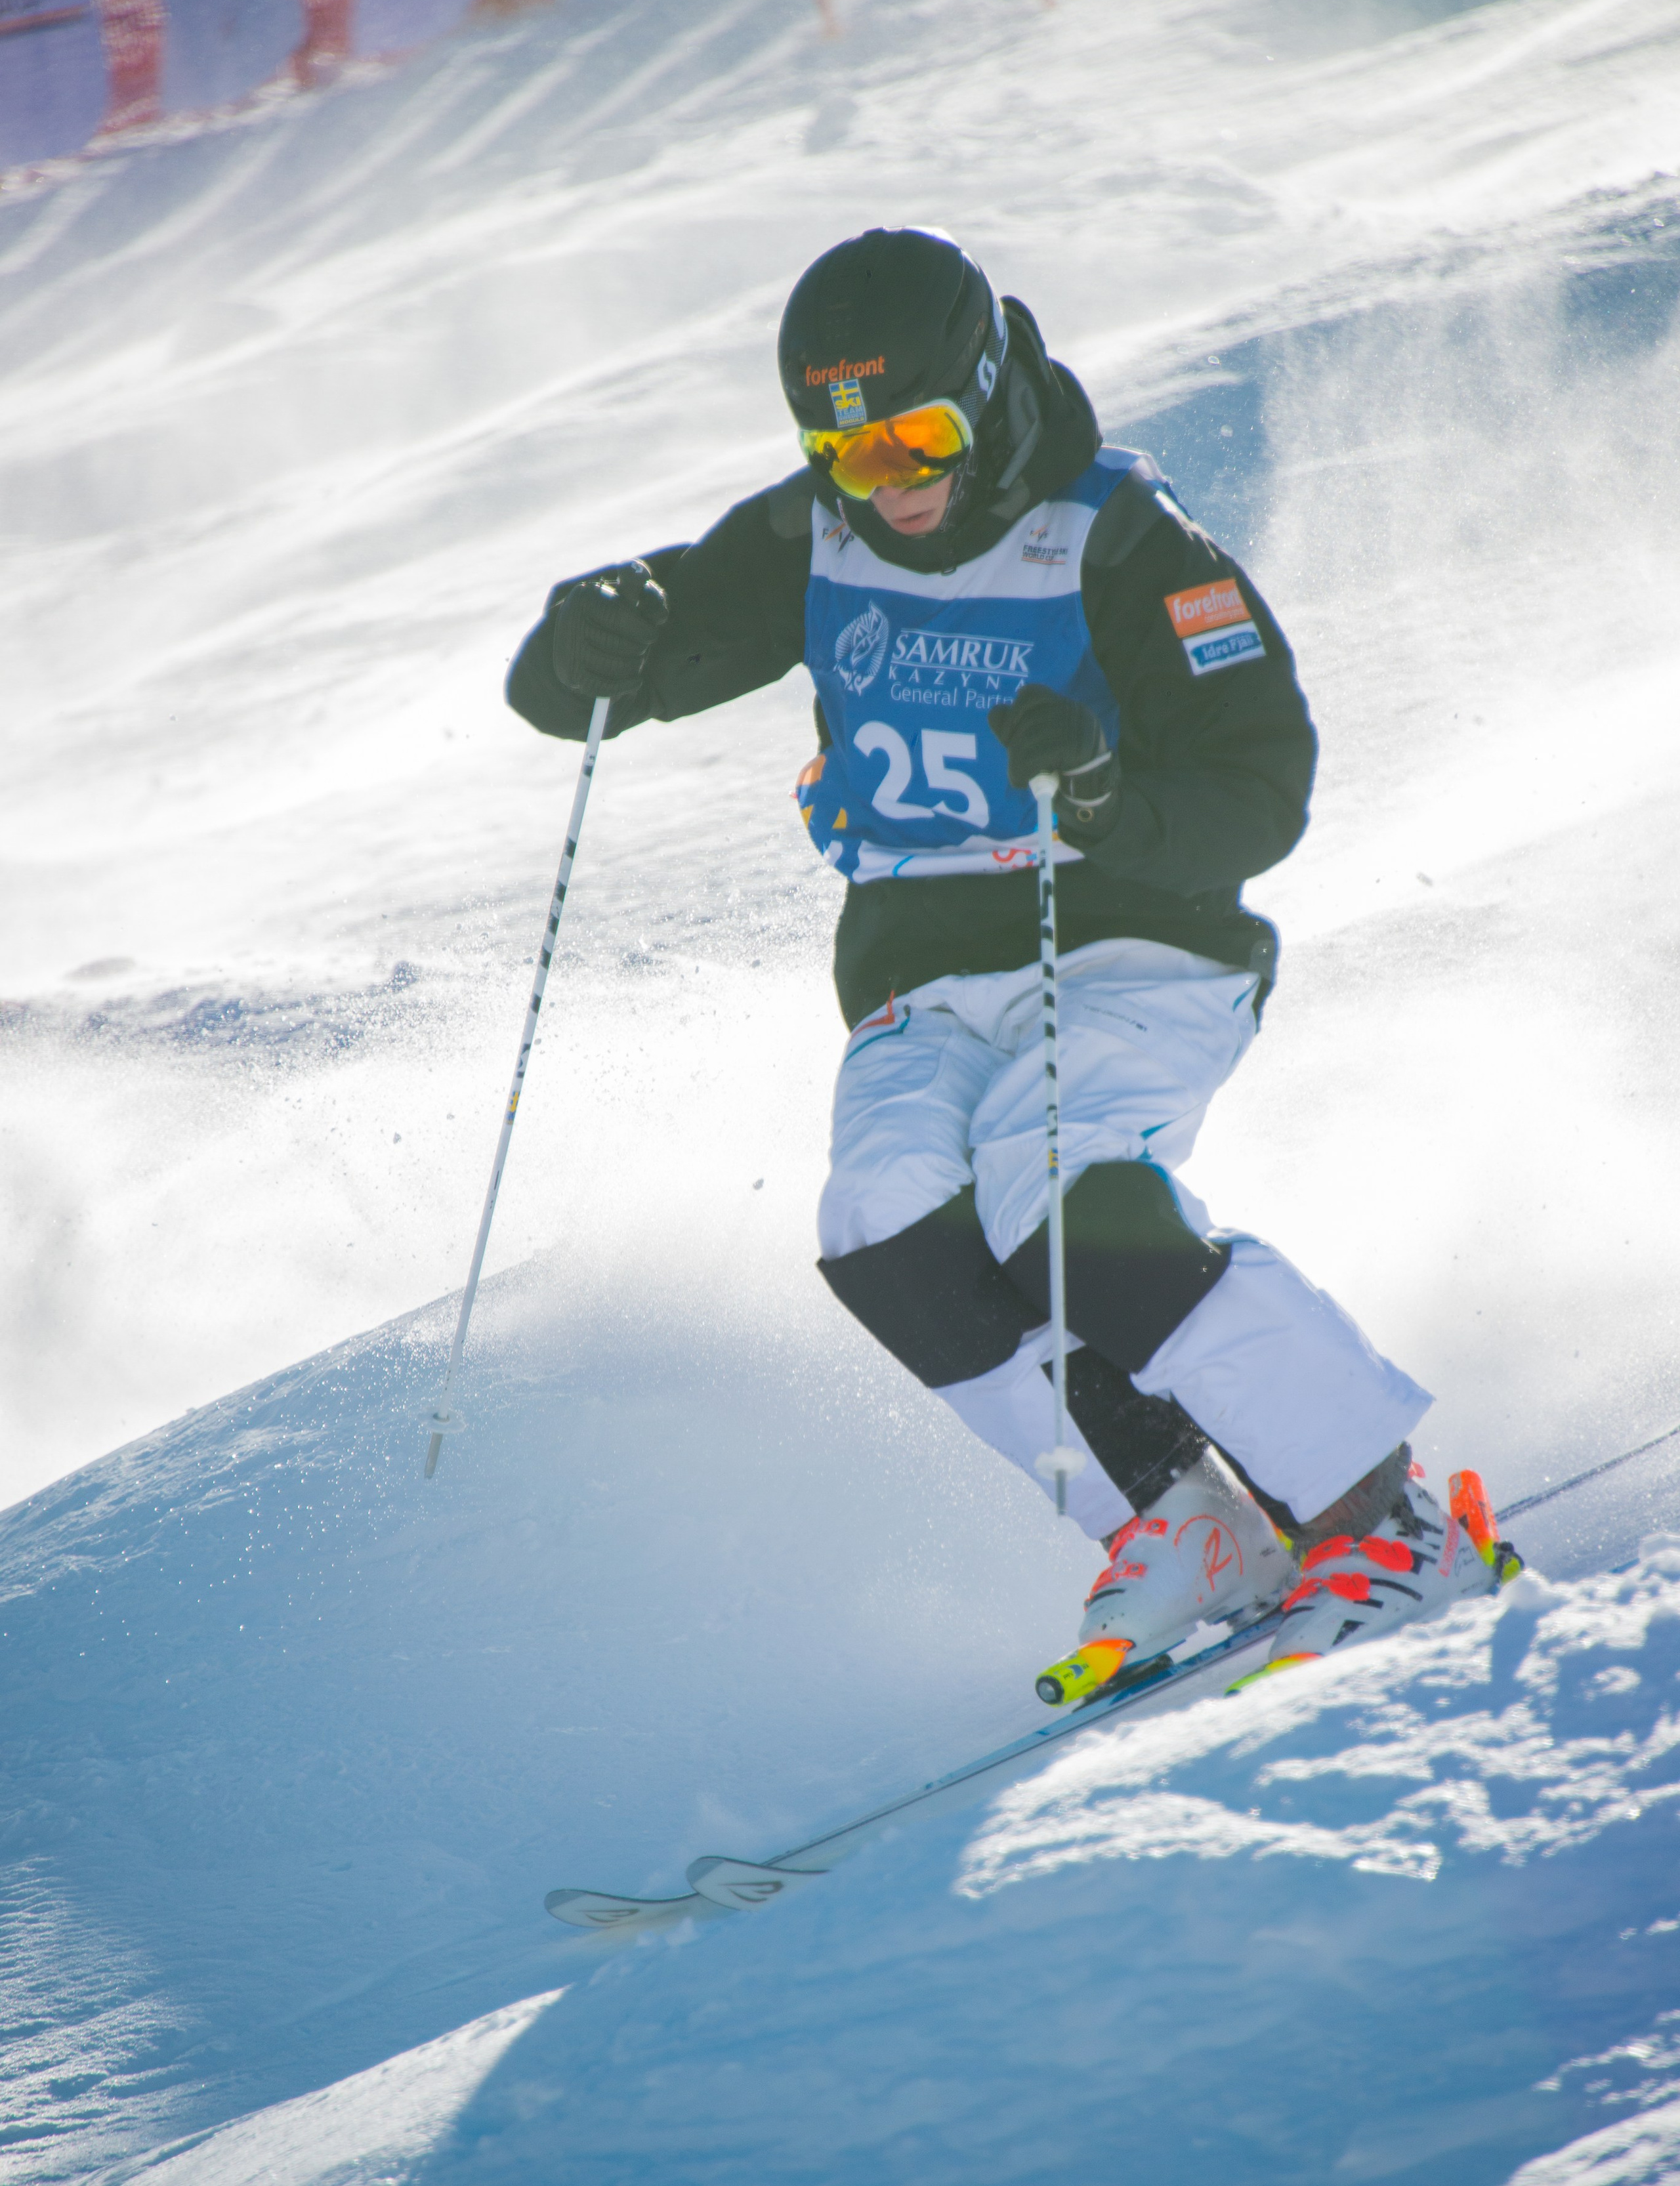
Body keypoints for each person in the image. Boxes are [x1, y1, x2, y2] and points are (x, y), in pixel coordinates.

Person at [507, 226, 1515, 1702]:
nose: (888, 483)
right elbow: (598, 685)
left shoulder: (1117, 537)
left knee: (1057, 1192)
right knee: (883, 1216)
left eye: (916, 439)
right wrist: (578, 641)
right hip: (924, 969)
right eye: (844, 452)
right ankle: (1182, 1522)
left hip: (1135, 943)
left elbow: (1264, 787)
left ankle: (1388, 1519)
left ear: (982, 391)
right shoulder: (817, 532)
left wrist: (1102, 796)